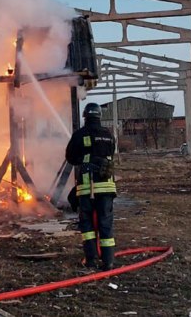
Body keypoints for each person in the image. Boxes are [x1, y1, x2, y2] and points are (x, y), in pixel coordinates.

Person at [65, 102, 117, 270]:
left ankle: (91, 260)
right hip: (107, 187)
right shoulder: (108, 135)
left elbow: (71, 158)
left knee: (87, 226)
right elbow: (111, 152)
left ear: (85, 116)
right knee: (105, 224)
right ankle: (108, 261)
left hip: (87, 188)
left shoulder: (80, 134)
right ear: (99, 116)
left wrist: (84, 157)